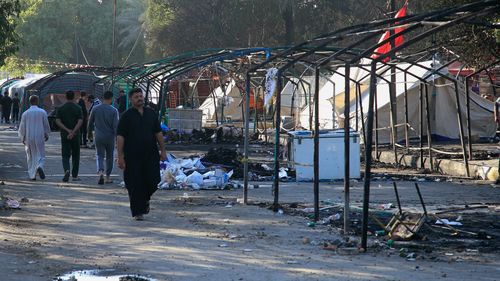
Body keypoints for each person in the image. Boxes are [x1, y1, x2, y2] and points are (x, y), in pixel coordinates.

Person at [117, 88, 166, 221]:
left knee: (153, 180)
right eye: (136, 97)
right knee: (134, 183)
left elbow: (158, 133)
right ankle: (138, 211)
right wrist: (120, 156)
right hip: (132, 156)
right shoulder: (126, 116)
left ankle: (145, 199)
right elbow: (120, 137)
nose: (139, 98)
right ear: (131, 100)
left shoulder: (151, 113)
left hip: (150, 154)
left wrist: (163, 150)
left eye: (141, 96)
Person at [88, 91, 119, 185]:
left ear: (103, 98)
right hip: (110, 137)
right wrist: (118, 139)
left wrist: (89, 133)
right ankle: (108, 177)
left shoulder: (95, 108)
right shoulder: (114, 110)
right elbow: (116, 126)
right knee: (110, 156)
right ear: (111, 98)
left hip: (98, 136)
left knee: (100, 155)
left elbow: (90, 122)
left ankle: (101, 172)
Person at [18, 95, 51, 180]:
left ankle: (32, 175)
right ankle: (39, 166)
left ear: (30, 102)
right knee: (40, 154)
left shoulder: (25, 113)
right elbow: (46, 125)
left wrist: (22, 137)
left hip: (29, 137)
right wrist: (46, 134)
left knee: (30, 156)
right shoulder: (42, 112)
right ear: (37, 101)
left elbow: (22, 127)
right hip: (39, 136)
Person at [55, 90, 83, 182]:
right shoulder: (78, 108)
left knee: (65, 155)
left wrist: (67, 130)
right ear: (74, 97)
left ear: (66, 97)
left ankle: (66, 170)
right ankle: (74, 176)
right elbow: (80, 121)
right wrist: (73, 131)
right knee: (76, 155)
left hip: (64, 134)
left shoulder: (61, 108)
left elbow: (58, 121)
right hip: (76, 135)